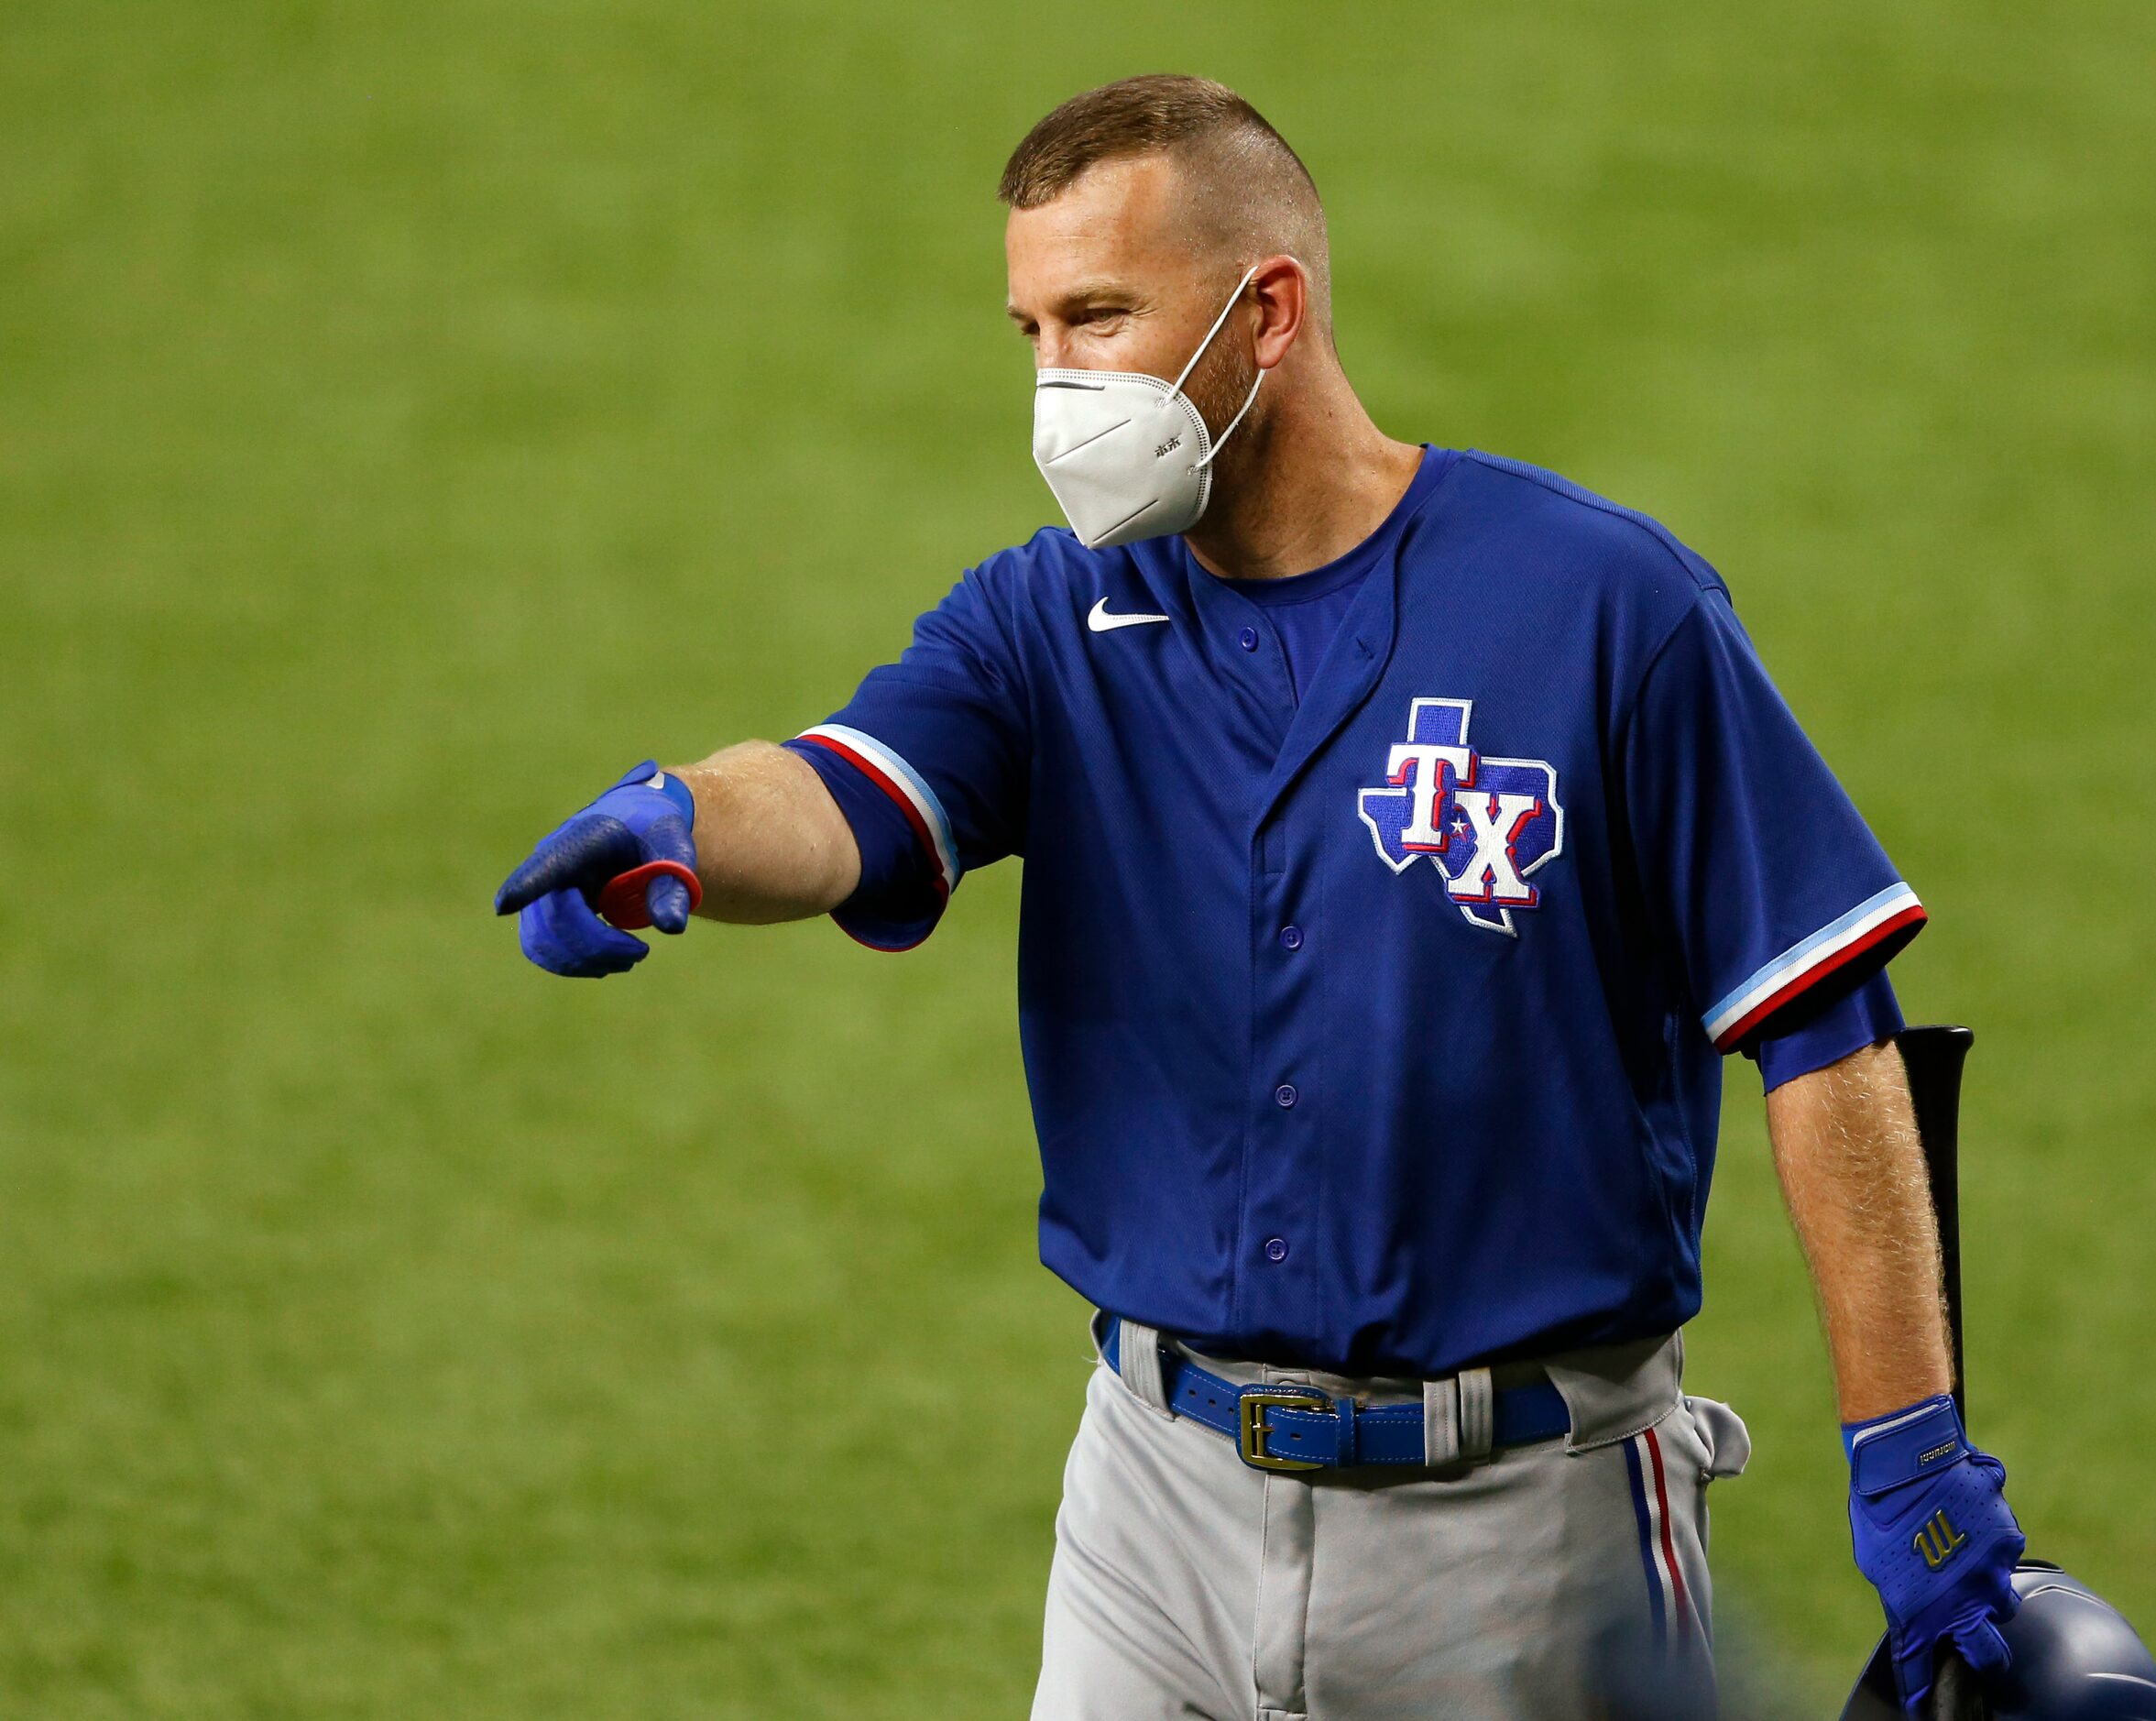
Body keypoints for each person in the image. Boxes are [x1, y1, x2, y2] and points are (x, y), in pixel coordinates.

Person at [495, 74, 2024, 1718]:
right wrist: (679, 822)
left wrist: (1908, 1452)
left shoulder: (1602, 607)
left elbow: (1824, 1031)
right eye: (1026, 329)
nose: (1054, 381)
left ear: (1266, 311)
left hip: (1522, 1531)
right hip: (1152, 1504)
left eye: (1096, 314)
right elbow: (839, 795)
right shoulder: (1049, 617)